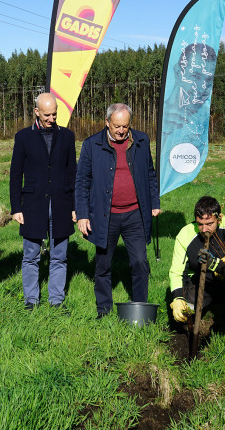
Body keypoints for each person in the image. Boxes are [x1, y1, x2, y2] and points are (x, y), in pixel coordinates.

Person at [75, 103, 161, 319]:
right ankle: (103, 311)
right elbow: (82, 181)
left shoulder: (141, 141)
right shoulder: (91, 144)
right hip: (105, 215)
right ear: (107, 123)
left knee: (140, 262)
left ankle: (140, 308)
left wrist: (154, 202)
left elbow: (150, 174)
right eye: (116, 126)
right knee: (103, 264)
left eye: (125, 126)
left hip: (135, 214)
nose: (121, 131)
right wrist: (83, 214)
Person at [9, 93, 76, 311]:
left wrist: (75, 206)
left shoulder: (67, 136)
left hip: (61, 204)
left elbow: (72, 173)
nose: (51, 118)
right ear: (36, 112)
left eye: (55, 114)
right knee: (30, 256)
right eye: (47, 114)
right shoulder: (23, 137)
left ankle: (56, 300)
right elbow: (15, 174)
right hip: (32, 205)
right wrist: (16, 208)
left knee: (59, 256)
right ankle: (31, 300)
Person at [168, 196, 225, 337]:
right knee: (183, 319)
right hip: (199, 285)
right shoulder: (185, 234)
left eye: (210, 223)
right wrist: (178, 298)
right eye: (200, 224)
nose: (204, 229)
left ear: (219, 218)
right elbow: (176, 271)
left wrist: (224, 264)